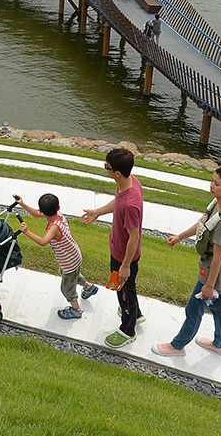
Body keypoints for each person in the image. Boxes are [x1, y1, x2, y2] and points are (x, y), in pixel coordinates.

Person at [152, 167, 221, 357]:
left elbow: (218, 257)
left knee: (194, 308)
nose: (211, 186)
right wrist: (180, 236)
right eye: (212, 181)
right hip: (218, 266)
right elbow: (203, 225)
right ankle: (220, 344)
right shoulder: (219, 204)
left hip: (217, 270)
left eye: (217, 183)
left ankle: (177, 346)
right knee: (218, 305)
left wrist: (209, 285)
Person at [82, 147, 143, 349]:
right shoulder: (129, 182)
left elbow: (134, 238)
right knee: (128, 288)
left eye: (106, 166)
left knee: (124, 291)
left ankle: (128, 330)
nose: (105, 169)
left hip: (124, 257)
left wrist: (125, 266)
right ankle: (136, 313)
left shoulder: (130, 204)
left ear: (117, 172)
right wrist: (98, 212)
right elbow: (117, 202)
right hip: (119, 251)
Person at [15, 192, 100, 319]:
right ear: (58, 207)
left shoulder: (54, 227)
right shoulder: (59, 216)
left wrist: (27, 232)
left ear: (41, 210)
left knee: (67, 288)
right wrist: (22, 204)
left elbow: (43, 242)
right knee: (72, 275)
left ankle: (76, 310)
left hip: (69, 261)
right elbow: (36, 214)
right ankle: (88, 287)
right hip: (74, 256)